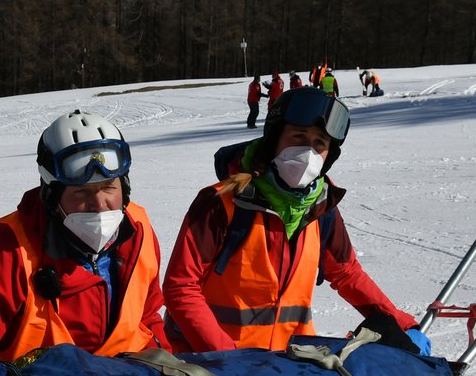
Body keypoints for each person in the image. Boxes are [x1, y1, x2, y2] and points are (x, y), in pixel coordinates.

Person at [162, 87, 428, 355]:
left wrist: (401, 323)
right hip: (210, 363)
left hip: (287, 365)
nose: (308, 152)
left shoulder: (321, 209)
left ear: (328, 155)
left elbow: (347, 274)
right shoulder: (221, 203)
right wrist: (227, 356)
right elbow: (180, 286)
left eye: (319, 144)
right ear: (274, 139)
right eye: (298, 137)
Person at [0, 111, 169, 373]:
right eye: (81, 192)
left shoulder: (138, 230)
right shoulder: (8, 248)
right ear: (52, 195)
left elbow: (148, 318)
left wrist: (168, 373)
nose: (99, 205)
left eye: (109, 187)